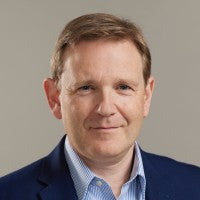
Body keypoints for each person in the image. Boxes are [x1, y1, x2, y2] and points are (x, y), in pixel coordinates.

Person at [0, 13, 200, 200]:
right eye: (86, 88)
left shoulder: (194, 186)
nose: (105, 109)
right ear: (55, 98)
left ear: (146, 96)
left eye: (123, 87)